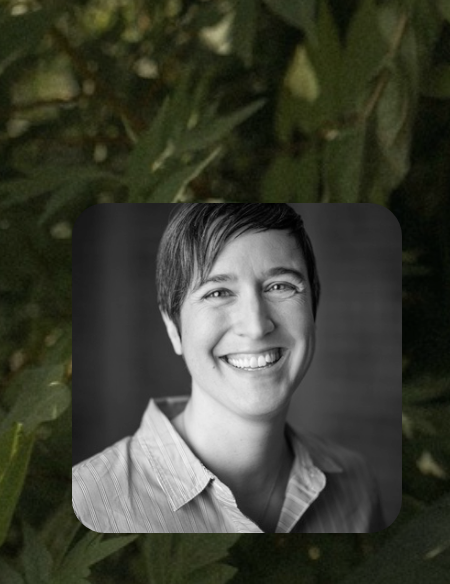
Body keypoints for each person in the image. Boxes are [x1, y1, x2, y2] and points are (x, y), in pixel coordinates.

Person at [73, 203, 383, 533]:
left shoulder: (355, 484)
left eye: (280, 286)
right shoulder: (92, 502)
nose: (256, 326)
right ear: (173, 329)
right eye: (218, 292)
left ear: (313, 309)